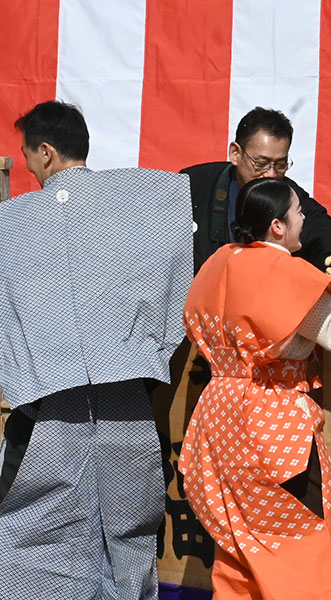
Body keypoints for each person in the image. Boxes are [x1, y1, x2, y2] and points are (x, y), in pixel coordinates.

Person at [179, 177, 331, 600]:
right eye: (298, 211)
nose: (305, 218)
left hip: (219, 421)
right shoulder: (282, 270)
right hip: (271, 425)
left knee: (240, 549)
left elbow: (271, 323)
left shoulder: (219, 261)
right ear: (277, 227)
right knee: (304, 546)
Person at [0, 101, 192, 598]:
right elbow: (175, 287)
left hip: (46, 404)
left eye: (27, 157)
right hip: (128, 395)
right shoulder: (150, 200)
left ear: (45, 152)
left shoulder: (14, 222)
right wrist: (144, 349)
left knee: (36, 536)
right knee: (131, 535)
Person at [182, 106, 331, 273]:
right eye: (261, 164)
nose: (271, 175)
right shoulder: (192, 187)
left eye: (280, 165)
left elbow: (327, 240)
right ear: (235, 154)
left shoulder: (290, 198)